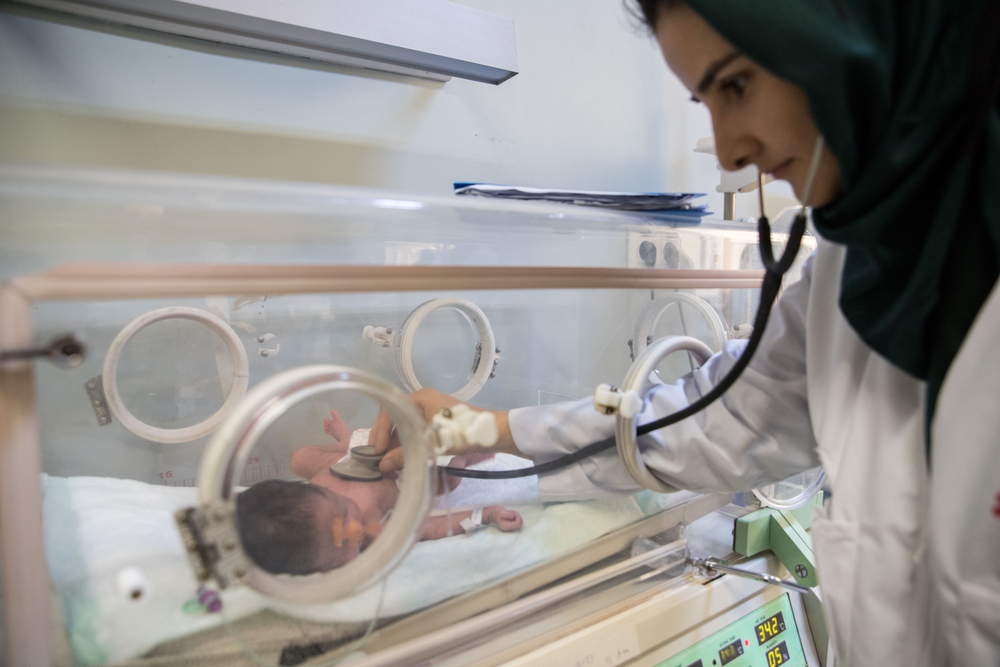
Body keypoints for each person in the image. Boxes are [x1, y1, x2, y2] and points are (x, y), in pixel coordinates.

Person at [370, 1, 1000, 665]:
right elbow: (718, 419)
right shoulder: (854, 274)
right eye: (705, 103)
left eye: (736, 86)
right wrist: (482, 430)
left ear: (858, 38)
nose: (729, 150)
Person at [236, 410, 523, 575]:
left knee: (299, 458)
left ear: (312, 491)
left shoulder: (314, 496)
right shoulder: (370, 529)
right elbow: (428, 528)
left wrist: (351, 450)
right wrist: (483, 514)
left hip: (354, 459)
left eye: (339, 512)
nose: (351, 527)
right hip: (401, 476)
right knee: (447, 480)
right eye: (342, 543)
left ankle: (347, 440)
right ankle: (475, 452)